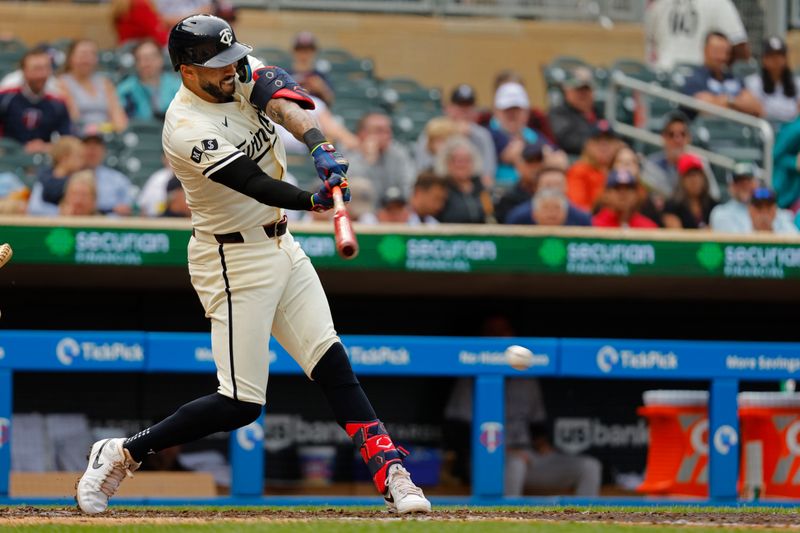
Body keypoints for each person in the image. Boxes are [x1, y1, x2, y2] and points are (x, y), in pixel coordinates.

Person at [75, 14, 430, 516]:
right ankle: (121, 453)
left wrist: (319, 146)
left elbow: (284, 102)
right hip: (231, 256)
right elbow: (253, 183)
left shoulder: (235, 69)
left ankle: (391, 471)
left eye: (232, 58)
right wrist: (316, 199)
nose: (232, 69)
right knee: (240, 403)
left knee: (331, 363)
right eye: (217, 65)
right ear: (186, 71)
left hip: (282, 245)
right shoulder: (186, 127)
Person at [444, 316, 602, 497]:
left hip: (528, 455)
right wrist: (505, 451)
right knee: (516, 464)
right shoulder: (469, 377)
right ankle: (508, 522)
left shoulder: (527, 378)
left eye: (503, 332)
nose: (499, 337)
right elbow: (458, 432)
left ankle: (583, 522)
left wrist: (542, 447)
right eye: (493, 332)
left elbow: (537, 427)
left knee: (589, 467)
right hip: (486, 458)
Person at [415, 84, 497, 184]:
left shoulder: (482, 135)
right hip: (439, 188)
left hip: (471, 190)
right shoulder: (432, 132)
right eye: (460, 105)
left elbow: (487, 176)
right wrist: (454, 137)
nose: (464, 110)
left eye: (469, 106)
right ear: (448, 108)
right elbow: (423, 170)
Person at [0, 46, 71, 153]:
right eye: (37, 69)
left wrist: (46, 147)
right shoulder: (6, 97)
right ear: (24, 71)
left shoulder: (57, 102)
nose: (42, 74)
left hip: (45, 159)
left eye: (46, 68)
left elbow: (68, 139)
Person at [645, 0, 750, 71]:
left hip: (662, 76)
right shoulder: (719, 2)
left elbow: (649, 40)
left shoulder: (658, 2)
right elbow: (739, 46)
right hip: (699, 80)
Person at [680, 32, 762, 118]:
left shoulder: (734, 78)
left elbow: (757, 109)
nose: (721, 57)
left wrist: (728, 101)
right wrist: (737, 103)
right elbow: (707, 109)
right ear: (705, 51)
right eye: (716, 51)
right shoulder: (695, 78)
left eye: (725, 52)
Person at [58, 39, 128, 133]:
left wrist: (106, 128)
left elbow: (119, 119)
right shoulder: (62, 83)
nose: (87, 59)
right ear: (71, 58)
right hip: (80, 137)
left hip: (108, 135)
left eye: (92, 54)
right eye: (83, 54)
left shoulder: (105, 83)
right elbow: (74, 119)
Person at [345, 111, 416, 200]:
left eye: (388, 131)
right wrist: (369, 161)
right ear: (362, 134)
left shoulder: (398, 154)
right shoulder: (348, 155)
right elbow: (354, 194)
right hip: (362, 210)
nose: (386, 136)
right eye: (379, 131)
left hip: (393, 209)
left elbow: (409, 188)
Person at [711, 163, 796, 234]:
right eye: (739, 182)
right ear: (731, 186)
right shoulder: (721, 213)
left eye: (748, 181)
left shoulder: (781, 215)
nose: (744, 186)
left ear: (757, 182)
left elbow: (795, 242)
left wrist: (769, 229)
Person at [489, 82, 546, 187]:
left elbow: (555, 156)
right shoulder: (488, 134)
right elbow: (508, 155)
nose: (512, 114)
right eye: (507, 110)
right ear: (496, 111)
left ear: (526, 112)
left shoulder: (533, 135)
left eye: (517, 109)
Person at [117, 39, 182, 120]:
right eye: (142, 58)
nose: (147, 62)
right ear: (135, 62)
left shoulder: (178, 86)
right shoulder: (125, 90)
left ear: (161, 59)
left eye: (152, 57)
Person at [506, 166, 591, 226]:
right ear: (536, 188)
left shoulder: (581, 219)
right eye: (548, 186)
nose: (553, 190)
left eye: (558, 185)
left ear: (567, 187)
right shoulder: (519, 217)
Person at [745, 37, 800, 124]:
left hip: (790, 132)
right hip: (766, 130)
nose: (776, 60)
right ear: (764, 59)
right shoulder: (753, 82)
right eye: (771, 56)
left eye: (779, 56)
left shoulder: (797, 83)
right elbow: (757, 111)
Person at [566, 121, 619, 212]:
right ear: (588, 145)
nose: (604, 145)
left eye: (609, 140)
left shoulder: (622, 170)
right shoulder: (579, 170)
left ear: (617, 144)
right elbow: (578, 209)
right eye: (597, 140)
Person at [26, 135, 85, 216]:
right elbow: (34, 207)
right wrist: (59, 211)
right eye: (78, 157)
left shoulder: (81, 179)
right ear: (64, 157)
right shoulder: (44, 177)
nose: (82, 162)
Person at [436, 136, 490, 224]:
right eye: (458, 160)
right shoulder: (441, 189)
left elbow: (490, 216)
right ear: (447, 163)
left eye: (467, 160)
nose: (462, 165)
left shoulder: (481, 188)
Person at [80, 130, 134, 215]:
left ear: (104, 150)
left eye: (96, 146)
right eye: (88, 145)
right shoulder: (70, 176)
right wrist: (111, 209)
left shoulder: (119, 179)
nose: (92, 150)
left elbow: (127, 209)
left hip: (111, 226)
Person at [548, 66, 598, 156]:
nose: (583, 94)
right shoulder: (558, 113)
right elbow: (568, 141)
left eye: (587, 89)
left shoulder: (599, 112)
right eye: (578, 89)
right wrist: (598, 145)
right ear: (567, 91)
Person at [662, 153, 717, 229]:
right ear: (681, 180)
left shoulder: (713, 205)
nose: (694, 180)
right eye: (689, 175)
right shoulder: (672, 206)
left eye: (698, 174)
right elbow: (676, 235)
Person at [644, 111, 692, 198]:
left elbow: (712, 196)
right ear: (663, 137)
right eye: (671, 134)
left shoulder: (699, 163)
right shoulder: (652, 165)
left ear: (689, 138)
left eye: (682, 134)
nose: (677, 140)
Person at [592, 169, 659, 229]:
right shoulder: (594, 225)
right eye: (617, 188)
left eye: (628, 188)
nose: (623, 193)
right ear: (606, 194)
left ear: (636, 194)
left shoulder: (648, 227)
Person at [289, 31, 334, 106]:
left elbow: (330, 101)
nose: (304, 54)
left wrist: (321, 89)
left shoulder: (320, 75)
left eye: (308, 50)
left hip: (315, 111)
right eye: (300, 50)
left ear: (314, 52)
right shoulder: (285, 74)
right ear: (294, 51)